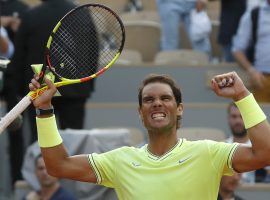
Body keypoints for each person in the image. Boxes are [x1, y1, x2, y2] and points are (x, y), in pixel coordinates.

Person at [29, 71, 270, 199]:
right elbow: (58, 165)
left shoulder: (208, 152)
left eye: (165, 98)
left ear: (179, 108)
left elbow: (265, 153)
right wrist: (44, 110)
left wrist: (242, 96)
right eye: (148, 100)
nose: (157, 103)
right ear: (140, 112)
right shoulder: (119, 161)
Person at [6, 0, 97, 144]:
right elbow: (93, 52)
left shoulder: (31, 15)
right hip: (76, 90)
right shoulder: (82, 14)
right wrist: (88, 85)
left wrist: (19, 90)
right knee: (75, 144)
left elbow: (19, 56)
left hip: (40, 88)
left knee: (41, 142)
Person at [232, 0, 270, 103]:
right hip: (262, 79)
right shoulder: (254, 14)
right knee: (260, 118)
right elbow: (237, 50)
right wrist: (252, 71)